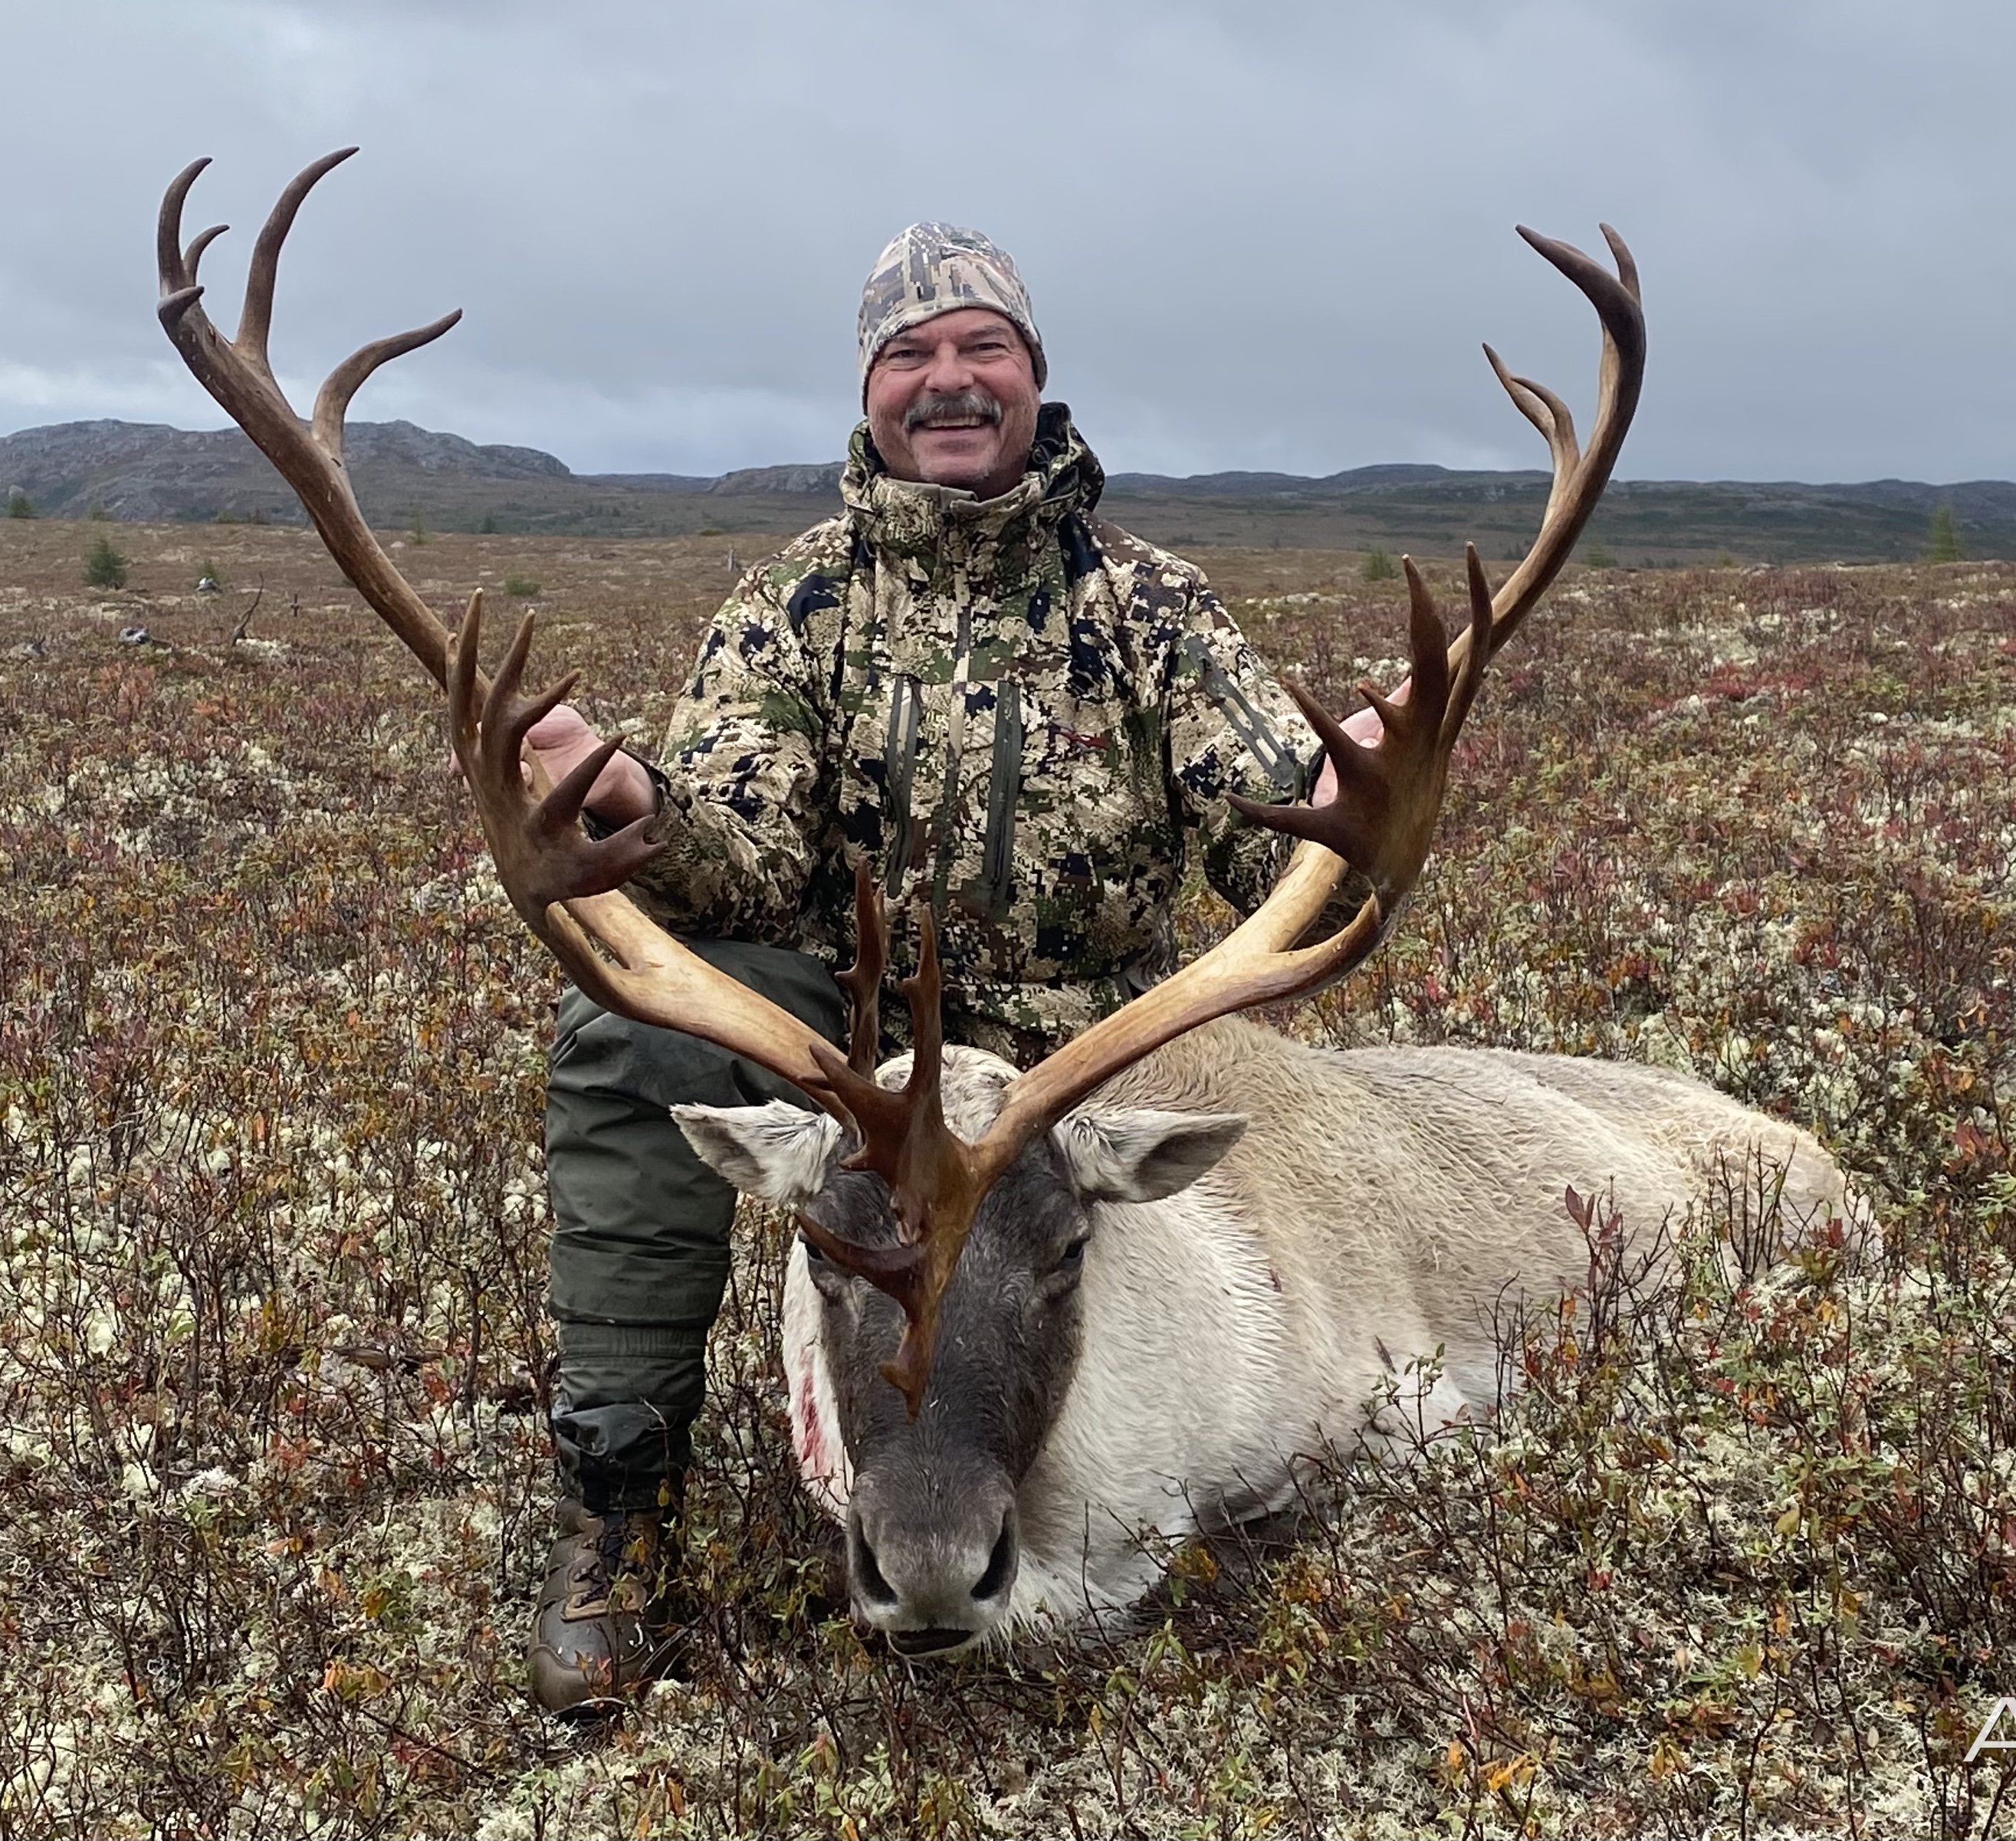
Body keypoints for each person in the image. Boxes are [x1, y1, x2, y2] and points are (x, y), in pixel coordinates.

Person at [516, 223, 1382, 1711]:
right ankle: (622, 1500)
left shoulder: (1152, 609)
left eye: (982, 347)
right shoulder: (797, 603)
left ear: (1034, 377)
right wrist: (642, 810)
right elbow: (754, 860)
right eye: (910, 354)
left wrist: (1352, 810)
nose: (948, 379)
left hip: (1082, 1064)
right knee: (634, 1042)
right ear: (871, 389)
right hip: (859, 1072)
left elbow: (1273, 871)